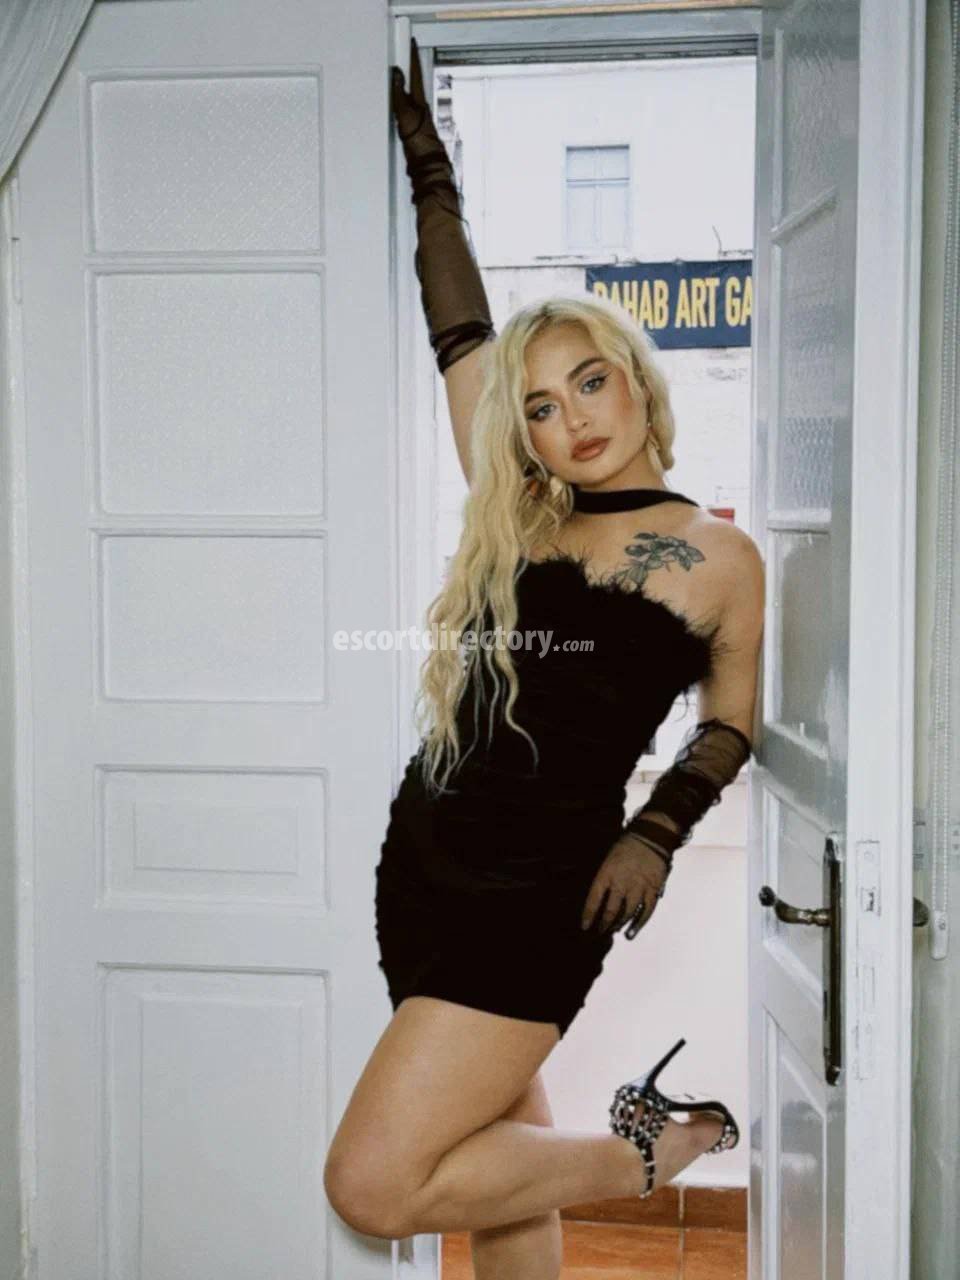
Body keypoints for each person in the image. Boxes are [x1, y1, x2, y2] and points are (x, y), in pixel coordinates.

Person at [323, 39, 765, 1273]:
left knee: (375, 1180)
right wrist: (430, 177)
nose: (571, 418)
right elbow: (456, 324)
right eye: (538, 405)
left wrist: (657, 830)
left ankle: (662, 1144)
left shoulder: (716, 554)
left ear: (637, 382)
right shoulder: (521, 510)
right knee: (493, 1154)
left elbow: (731, 719)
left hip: (540, 893)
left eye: (588, 382)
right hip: (424, 858)